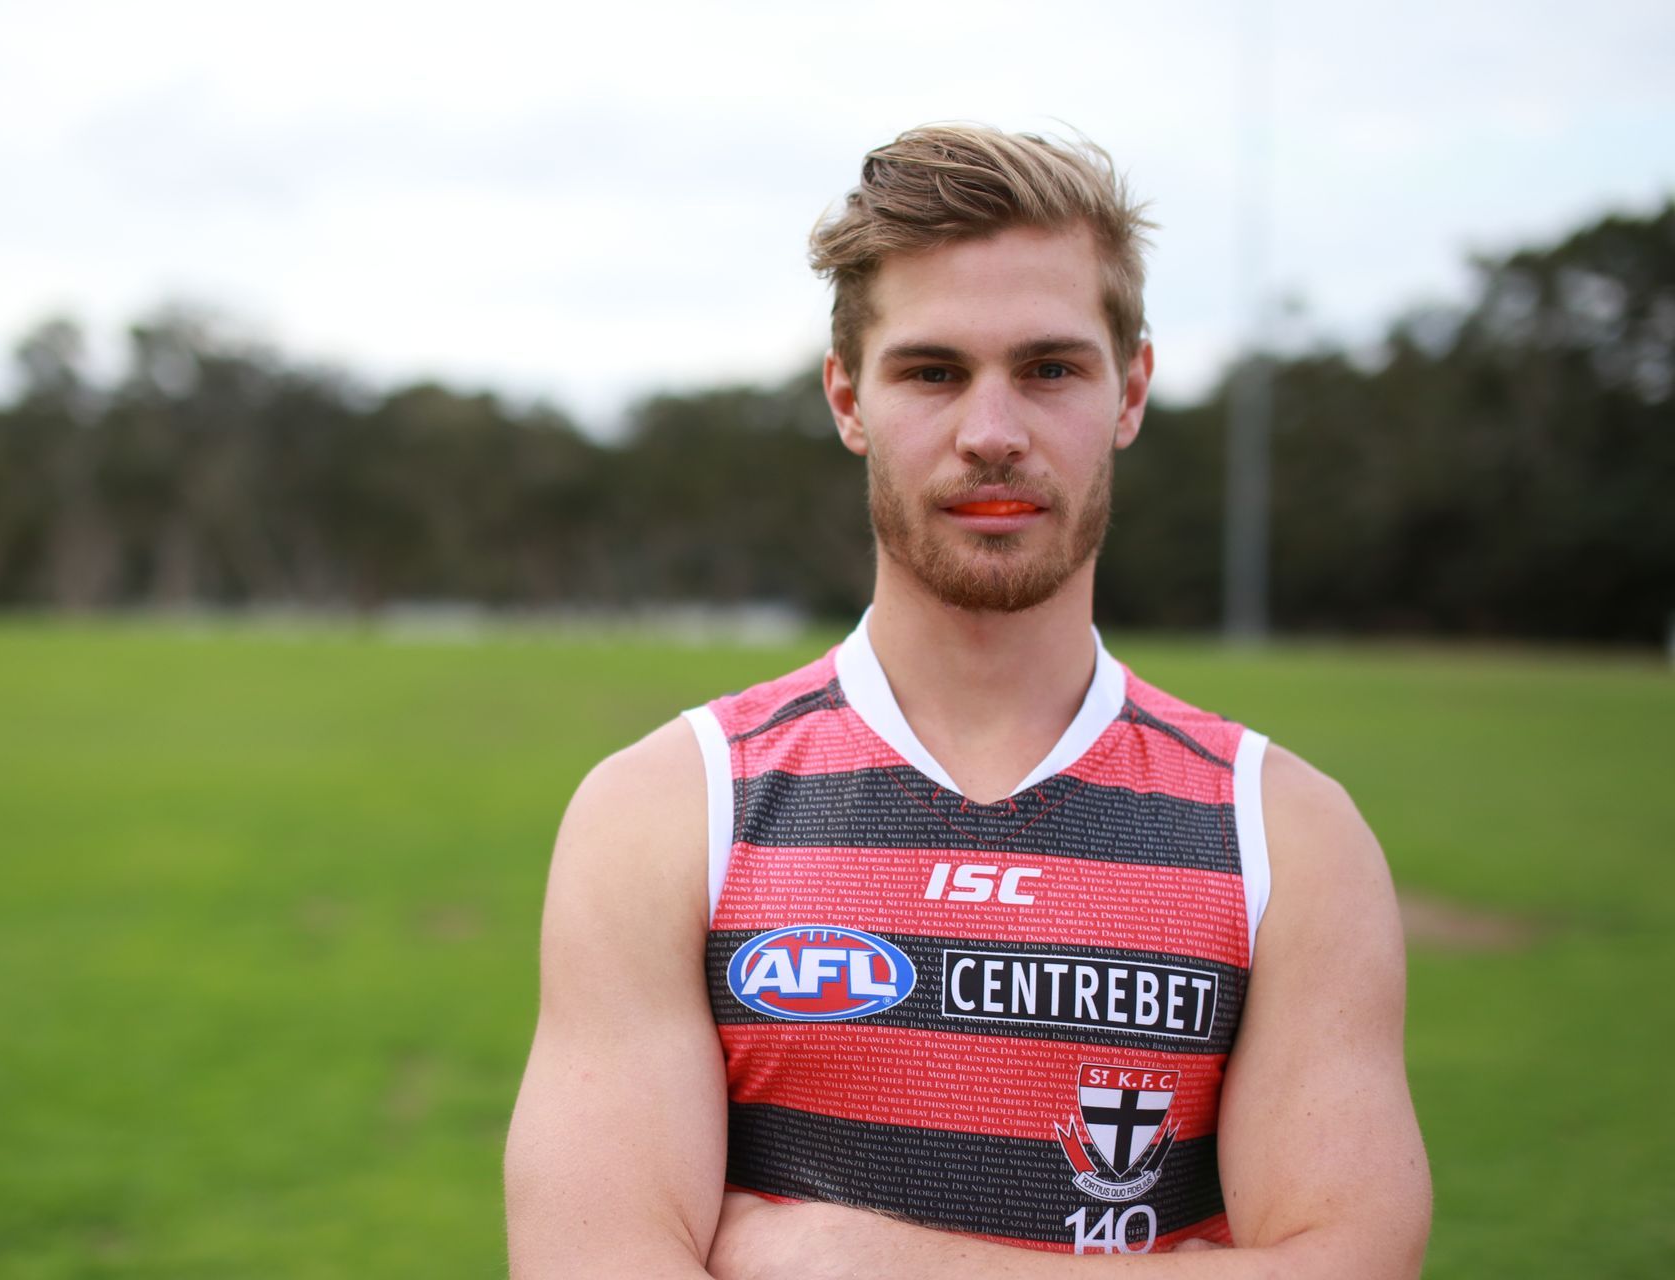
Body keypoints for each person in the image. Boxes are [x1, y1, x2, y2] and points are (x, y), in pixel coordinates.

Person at [504, 123, 1431, 1277]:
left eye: (1049, 368)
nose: (992, 433)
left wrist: (863, 1260)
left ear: (1130, 390)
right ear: (848, 397)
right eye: (933, 371)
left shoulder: (1286, 835)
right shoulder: (664, 813)